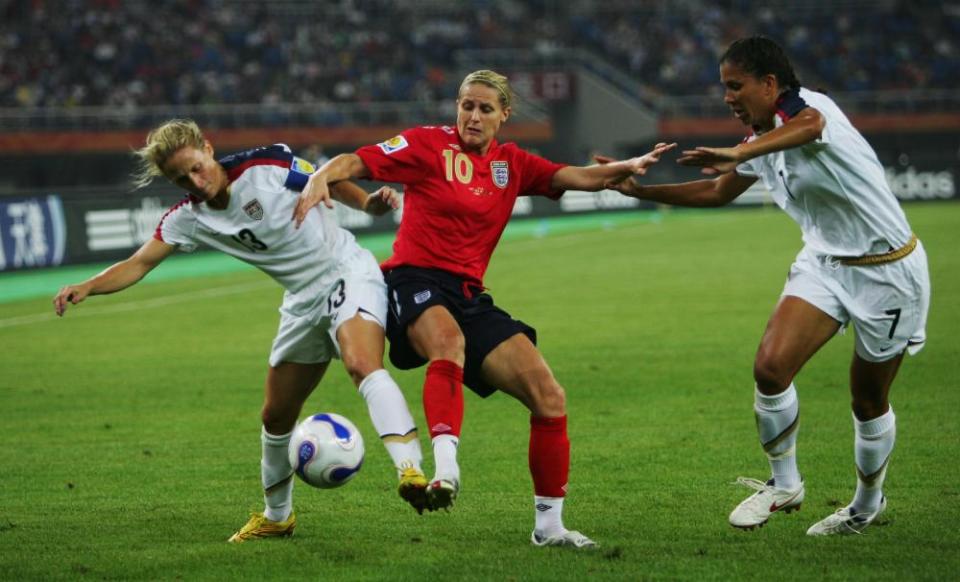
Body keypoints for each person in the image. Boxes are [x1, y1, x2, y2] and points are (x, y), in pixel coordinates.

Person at [293, 70, 676, 548]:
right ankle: (446, 471)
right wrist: (324, 177)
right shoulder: (427, 145)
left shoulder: (511, 164)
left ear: (504, 115)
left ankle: (550, 527)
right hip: (413, 280)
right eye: (466, 105)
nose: (473, 116)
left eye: (485, 108)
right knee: (447, 344)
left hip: (469, 294)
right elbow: (358, 160)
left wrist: (627, 165)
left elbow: (570, 176)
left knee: (549, 395)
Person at [607, 36, 930, 536]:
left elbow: (810, 125)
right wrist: (642, 193)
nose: (728, 97)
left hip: (888, 270)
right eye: (724, 88)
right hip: (824, 262)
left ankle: (866, 504)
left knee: (867, 401)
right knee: (770, 368)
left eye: (736, 86)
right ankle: (785, 485)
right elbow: (717, 190)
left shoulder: (811, 111)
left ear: (770, 84)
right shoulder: (761, 137)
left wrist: (739, 148)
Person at [52, 119, 432, 542]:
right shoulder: (188, 218)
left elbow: (327, 178)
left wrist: (366, 205)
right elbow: (139, 263)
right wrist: (88, 285)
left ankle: (410, 470)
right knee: (275, 416)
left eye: (196, 167)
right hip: (300, 300)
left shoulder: (265, 166)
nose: (194, 182)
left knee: (361, 362)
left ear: (208, 149)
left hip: (345, 271)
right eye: (181, 178)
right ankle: (277, 516)